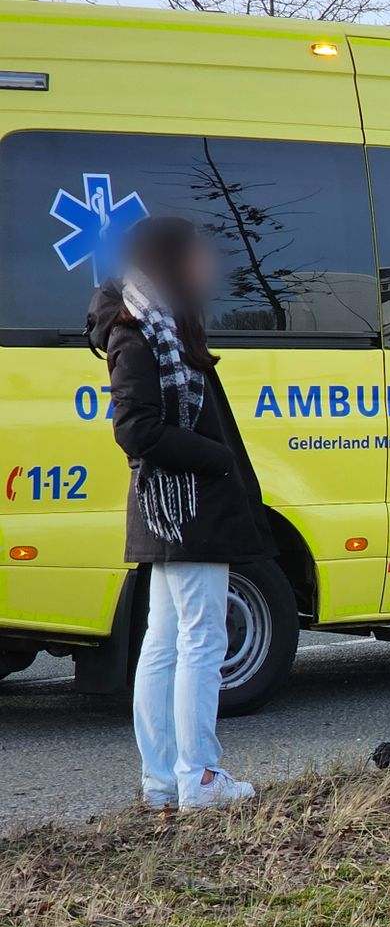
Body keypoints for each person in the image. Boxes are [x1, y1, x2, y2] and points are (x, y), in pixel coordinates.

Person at [86, 216, 273, 811]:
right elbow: (137, 429)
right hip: (184, 507)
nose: (206, 265)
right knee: (198, 639)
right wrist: (216, 457)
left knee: (166, 640)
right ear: (172, 261)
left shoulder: (157, 326)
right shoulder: (138, 331)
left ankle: (165, 781)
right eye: (196, 254)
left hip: (174, 508)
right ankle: (200, 777)